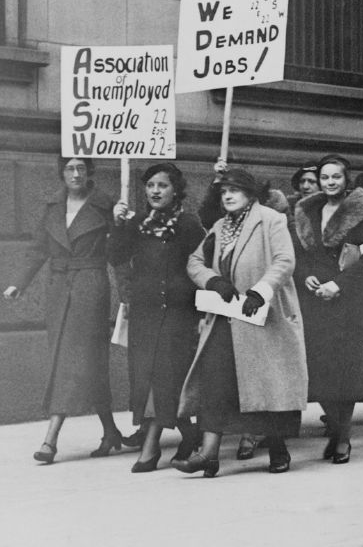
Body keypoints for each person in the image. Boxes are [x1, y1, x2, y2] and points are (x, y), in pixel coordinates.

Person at [177, 168, 308, 477]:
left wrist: (260, 291)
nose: (228, 196)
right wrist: (212, 281)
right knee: (216, 383)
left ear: (250, 193)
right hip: (226, 317)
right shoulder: (221, 227)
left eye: (235, 190)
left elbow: (284, 261)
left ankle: (277, 449)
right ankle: (208, 454)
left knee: (264, 386)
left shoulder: (271, 220)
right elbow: (194, 262)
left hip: (263, 317)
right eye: (223, 191)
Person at [5, 157, 132, 464]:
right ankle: (110, 430)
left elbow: (118, 255)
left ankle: (50, 439)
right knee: (89, 361)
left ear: (90, 172)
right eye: (69, 168)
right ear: (61, 173)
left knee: (70, 361)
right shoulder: (52, 208)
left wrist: (120, 223)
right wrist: (19, 283)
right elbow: (38, 249)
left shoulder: (107, 207)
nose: (76, 174)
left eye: (81, 168)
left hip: (89, 287)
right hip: (59, 290)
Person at [106, 163, 206, 472]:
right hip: (145, 313)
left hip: (178, 312)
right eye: (150, 185)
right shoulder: (137, 222)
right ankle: (191, 434)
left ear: (176, 190)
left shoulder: (189, 224)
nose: (155, 191)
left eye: (162, 185)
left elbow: (202, 265)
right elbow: (115, 256)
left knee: (162, 378)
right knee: (149, 378)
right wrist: (118, 224)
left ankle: (150, 449)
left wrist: (201, 313)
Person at [292, 154, 363, 464]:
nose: (330, 182)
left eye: (336, 177)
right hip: (315, 302)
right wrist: (306, 277)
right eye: (325, 178)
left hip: (348, 301)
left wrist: (339, 284)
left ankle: (343, 437)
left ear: (347, 180)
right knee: (320, 369)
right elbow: (298, 257)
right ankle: (337, 427)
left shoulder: (360, 215)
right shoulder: (307, 211)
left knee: (346, 370)